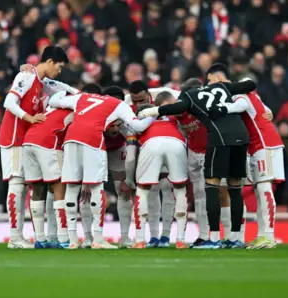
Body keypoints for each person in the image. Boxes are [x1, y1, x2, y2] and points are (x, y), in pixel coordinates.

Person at [139, 63, 257, 249]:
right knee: (235, 188)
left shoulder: (189, 96)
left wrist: (152, 111)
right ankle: (236, 239)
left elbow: (175, 108)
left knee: (211, 186)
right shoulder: (222, 86)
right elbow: (250, 85)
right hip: (241, 137)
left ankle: (215, 238)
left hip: (219, 138)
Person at [49, 85, 156, 249]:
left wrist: (64, 90)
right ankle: (95, 239)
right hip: (94, 141)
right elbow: (139, 126)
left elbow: (54, 100)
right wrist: (155, 113)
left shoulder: (82, 98)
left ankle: (72, 240)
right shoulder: (120, 105)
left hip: (73, 139)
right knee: (93, 188)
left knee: (72, 186)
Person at [0, 45, 76, 249]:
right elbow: (9, 102)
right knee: (17, 184)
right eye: (58, 67)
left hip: (27, 140)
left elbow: (68, 90)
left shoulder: (42, 82)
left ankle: (27, 236)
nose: (59, 70)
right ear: (49, 62)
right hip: (13, 137)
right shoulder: (26, 76)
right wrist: (29, 117)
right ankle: (15, 237)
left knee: (28, 184)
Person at [229, 80, 284, 249]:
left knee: (263, 187)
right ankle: (263, 235)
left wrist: (218, 107)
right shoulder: (255, 96)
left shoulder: (241, 97)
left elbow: (237, 108)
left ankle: (268, 236)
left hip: (263, 143)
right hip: (264, 143)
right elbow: (267, 111)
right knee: (260, 190)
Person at [124, 80, 180, 248]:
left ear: (149, 95)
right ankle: (154, 236)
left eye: (141, 100)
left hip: (167, 140)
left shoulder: (165, 94)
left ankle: (165, 235)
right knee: (153, 192)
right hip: (146, 145)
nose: (138, 104)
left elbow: (183, 104)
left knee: (167, 189)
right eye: (135, 102)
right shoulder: (126, 103)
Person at [132, 93, 189, 249]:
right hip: (176, 142)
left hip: (151, 143)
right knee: (179, 189)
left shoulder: (140, 118)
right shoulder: (173, 116)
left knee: (143, 191)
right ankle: (180, 240)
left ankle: (139, 240)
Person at [22, 98, 73, 248]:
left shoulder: (50, 109)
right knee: (59, 185)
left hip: (28, 141)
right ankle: (63, 238)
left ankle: (40, 239)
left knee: (37, 188)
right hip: (48, 142)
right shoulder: (74, 112)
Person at [177, 78, 210, 246]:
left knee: (210, 194)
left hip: (209, 152)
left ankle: (220, 235)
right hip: (193, 152)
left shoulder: (208, 105)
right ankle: (203, 235)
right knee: (198, 194)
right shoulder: (180, 108)